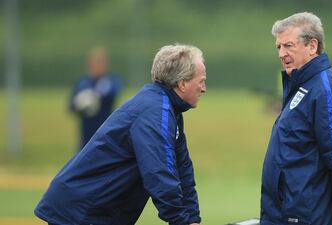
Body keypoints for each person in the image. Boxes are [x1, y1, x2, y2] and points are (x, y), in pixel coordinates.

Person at [35, 44, 206, 225]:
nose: (204, 88)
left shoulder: (169, 110)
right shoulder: (155, 112)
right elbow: (158, 173)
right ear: (182, 83)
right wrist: (180, 220)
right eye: (201, 81)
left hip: (93, 213)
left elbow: (182, 169)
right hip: (81, 213)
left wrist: (192, 218)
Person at [260, 12, 332, 225]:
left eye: (288, 45)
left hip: (309, 217)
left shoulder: (325, 89)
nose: (281, 53)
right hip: (286, 215)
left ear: (312, 46)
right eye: (278, 47)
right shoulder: (302, 86)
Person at [69, 47, 122, 149]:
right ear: (89, 64)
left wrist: (95, 97)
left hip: (106, 129)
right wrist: (80, 103)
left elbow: (113, 93)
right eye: (95, 62)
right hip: (86, 131)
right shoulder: (82, 82)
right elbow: (71, 105)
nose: (98, 66)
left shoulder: (111, 80)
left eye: (101, 62)